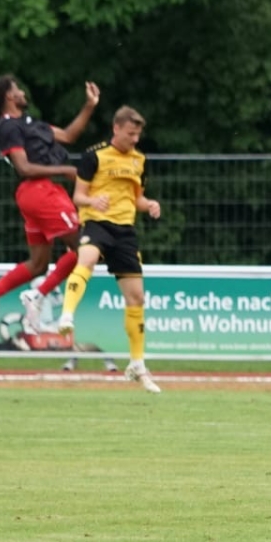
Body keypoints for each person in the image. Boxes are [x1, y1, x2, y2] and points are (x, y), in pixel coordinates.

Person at [0, 77, 102, 338]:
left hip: (38, 194)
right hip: (41, 191)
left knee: (38, 264)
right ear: (9, 97)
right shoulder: (7, 126)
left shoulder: (31, 123)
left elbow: (69, 135)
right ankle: (38, 295)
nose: (23, 92)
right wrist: (66, 170)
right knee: (88, 246)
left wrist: (89, 106)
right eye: (17, 89)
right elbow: (23, 167)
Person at [52, 106, 164, 393]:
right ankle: (66, 315)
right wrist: (93, 201)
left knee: (136, 297)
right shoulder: (94, 156)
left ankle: (137, 364)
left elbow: (137, 198)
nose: (135, 140)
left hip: (125, 230)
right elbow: (78, 196)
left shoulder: (139, 160)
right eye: (130, 134)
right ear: (116, 129)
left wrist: (150, 204)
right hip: (97, 223)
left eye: (137, 135)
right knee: (87, 258)